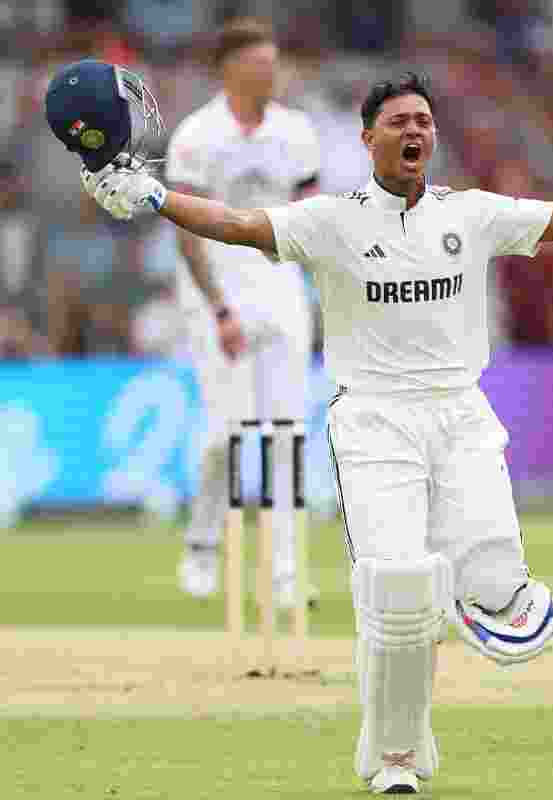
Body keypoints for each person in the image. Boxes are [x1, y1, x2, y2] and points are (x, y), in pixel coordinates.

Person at [78, 70, 553, 794]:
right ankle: (397, 759)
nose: (414, 131)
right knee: (397, 593)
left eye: (424, 121)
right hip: (374, 421)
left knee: (503, 595)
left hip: (461, 415)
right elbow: (239, 226)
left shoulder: (471, 213)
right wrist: (154, 197)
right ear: (367, 138)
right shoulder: (329, 220)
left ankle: (472, 602)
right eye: (398, 121)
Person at [167, 18, 322, 607]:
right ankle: (204, 545)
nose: (271, 74)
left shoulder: (296, 131)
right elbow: (186, 234)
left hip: (279, 279)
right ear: (229, 69)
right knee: (227, 435)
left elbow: (311, 215)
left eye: (273, 63)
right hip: (216, 281)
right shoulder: (195, 137)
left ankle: (285, 573)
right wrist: (219, 310)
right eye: (259, 64)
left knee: (287, 433)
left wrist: (318, 284)